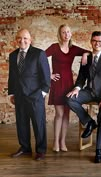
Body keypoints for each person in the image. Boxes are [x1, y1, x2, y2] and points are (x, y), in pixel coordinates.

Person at [66, 31, 101, 163]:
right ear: (91, 41)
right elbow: (81, 77)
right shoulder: (87, 58)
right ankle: (89, 122)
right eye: (95, 41)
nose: (97, 44)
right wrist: (77, 88)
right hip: (90, 91)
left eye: (100, 41)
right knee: (69, 98)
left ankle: (98, 150)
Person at [45, 24, 89, 152]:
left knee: (66, 114)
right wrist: (48, 75)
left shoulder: (73, 49)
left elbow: (91, 52)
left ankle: (63, 142)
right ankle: (55, 142)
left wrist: (85, 54)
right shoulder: (54, 47)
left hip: (69, 84)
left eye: (68, 32)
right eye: (63, 32)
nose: (66, 34)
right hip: (58, 84)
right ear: (60, 34)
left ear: (71, 34)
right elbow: (39, 57)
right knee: (59, 114)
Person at [8, 29, 51, 160]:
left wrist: (42, 93)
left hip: (35, 96)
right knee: (21, 123)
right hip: (19, 96)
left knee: (39, 124)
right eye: (19, 38)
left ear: (30, 39)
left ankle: (41, 150)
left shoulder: (39, 54)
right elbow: (12, 76)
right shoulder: (13, 55)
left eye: (25, 38)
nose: (22, 41)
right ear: (16, 39)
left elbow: (46, 76)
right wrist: (11, 93)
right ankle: (25, 148)